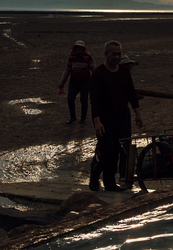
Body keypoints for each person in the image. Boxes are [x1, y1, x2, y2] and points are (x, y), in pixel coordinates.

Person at [88, 41, 143, 191]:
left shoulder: (124, 72)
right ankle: (95, 173)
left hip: (122, 117)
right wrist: (97, 122)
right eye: (114, 54)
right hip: (104, 118)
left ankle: (110, 183)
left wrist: (137, 114)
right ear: (106, 54)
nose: (117, 57)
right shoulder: (98, 73)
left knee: (119, 150)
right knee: (107, 149)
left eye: (119, 54)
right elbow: (94, 100)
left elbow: (131, 94)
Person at [58, 40, 95, 124]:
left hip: (85, 81)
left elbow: (93, 69)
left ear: (83, 49)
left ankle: (83, 118)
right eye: (77, 47)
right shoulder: (71, 58)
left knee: (84, 100)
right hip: (74, 81)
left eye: (80, 47)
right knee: (70, 98)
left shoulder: (88, 57)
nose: (78, 49)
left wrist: (98, 80)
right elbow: (67, 70)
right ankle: (73, 117)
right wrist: (61, 83)